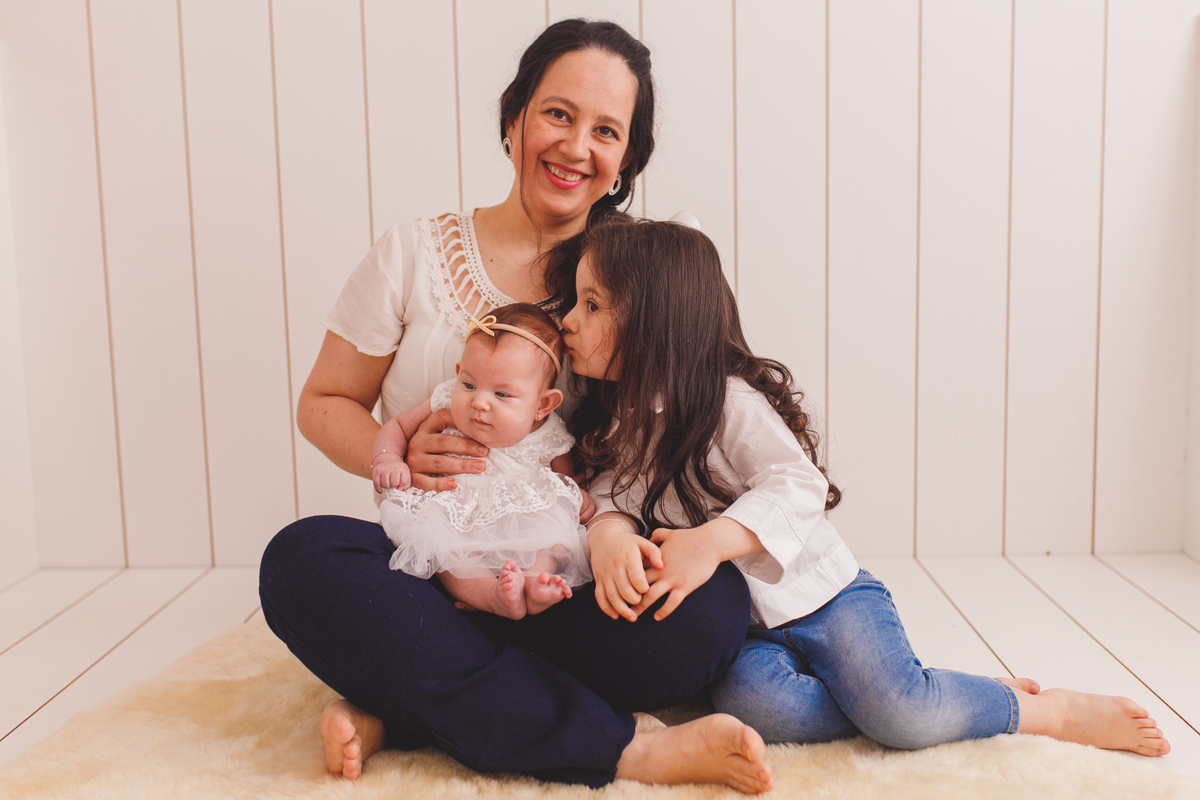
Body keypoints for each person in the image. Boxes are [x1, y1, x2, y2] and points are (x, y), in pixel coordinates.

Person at [258, 18, 774, 794]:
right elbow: (325, 400)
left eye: (606, 130)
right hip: (435, 571)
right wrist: (395, 453)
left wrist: (614, 535)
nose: (575, 147)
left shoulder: (650, 269)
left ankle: (402, 704)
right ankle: (620, 748)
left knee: (710, 610)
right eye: (558, 114)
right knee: (301, 563)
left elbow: (713, 409)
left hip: (566, 578)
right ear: (514, 119)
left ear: (627, 159)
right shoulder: (413, 252)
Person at [562, 215, 1172, 760]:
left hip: (828, 596)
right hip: (747, 631)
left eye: (592, 305)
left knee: (899, 713)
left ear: (655, 321)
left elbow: (797, 483)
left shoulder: (729, 402)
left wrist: (713, 542)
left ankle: (1041, 710)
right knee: (765, 712)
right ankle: (933, 697)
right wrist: (609, 536)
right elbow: (613, 496)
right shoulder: (624, 417)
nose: (568, 321)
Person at [372, 303, 592, 619]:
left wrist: (577, 499)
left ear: (543, 404)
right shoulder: (446, 397)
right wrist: (387, 459)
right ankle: (491, 596)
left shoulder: (550, 432)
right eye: (470, 385)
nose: (479, 402)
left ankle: (536, 587)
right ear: (459, 373)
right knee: (450, 554)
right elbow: (397, 426)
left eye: (502, 394)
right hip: (455, 512)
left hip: (522, 517)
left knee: (544, 544)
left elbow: (569, 479)